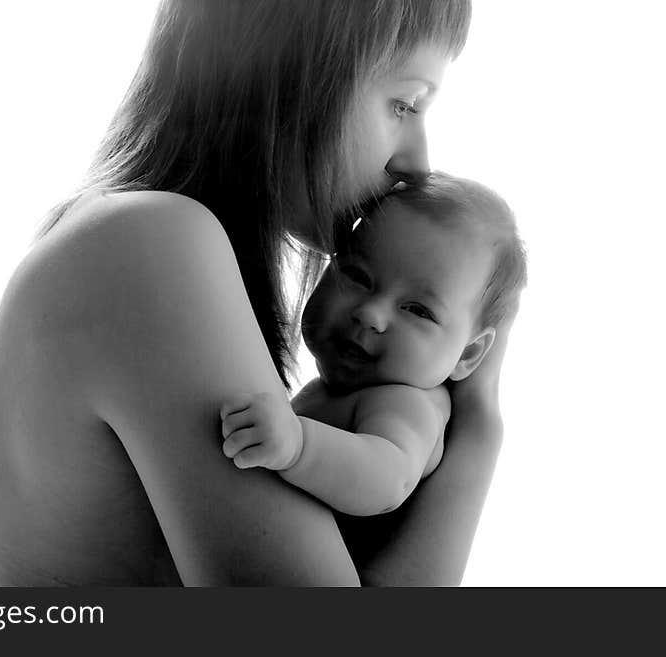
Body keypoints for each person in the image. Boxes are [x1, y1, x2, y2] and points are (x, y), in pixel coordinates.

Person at [0, 0, 505, 586]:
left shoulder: (122, 239)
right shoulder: (149, 243)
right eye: (404, 103)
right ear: (294, 70)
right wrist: (477, 433)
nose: (417, 163)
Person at [220, 173, 527, 518]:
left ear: (468, 354)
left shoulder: (410, 404)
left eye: (417, 310)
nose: (371, 315)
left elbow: (387, 478)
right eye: (357, 276)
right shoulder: (350, 392)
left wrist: (299, 446)